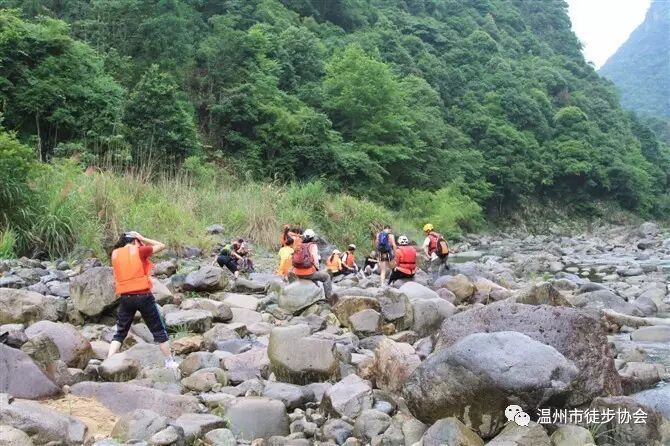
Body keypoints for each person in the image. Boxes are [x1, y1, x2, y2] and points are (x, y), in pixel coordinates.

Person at [108, 231, 176, 368]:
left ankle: (109, 360)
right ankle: (169, 361)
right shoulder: (140, 251)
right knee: (158, 331)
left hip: (125, 297)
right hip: (143, 296)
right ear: (135, 240)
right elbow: (161, 245)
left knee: (120, 332)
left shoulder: (115, 253)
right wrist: (142, 237)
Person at [291, 228, 333, 302]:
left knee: (314, 276)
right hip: (308, 273)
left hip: (296, 272)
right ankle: (329, 298)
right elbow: (316, 260)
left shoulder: (299, 245)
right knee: (326, 277)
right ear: (313, 237)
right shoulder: (313, 246)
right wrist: (317, 268)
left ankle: (315, 293)